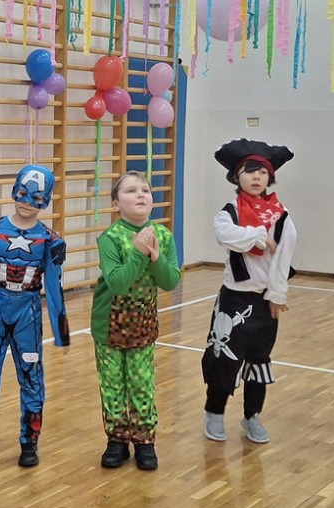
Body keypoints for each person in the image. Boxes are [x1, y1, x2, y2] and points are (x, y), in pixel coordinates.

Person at [0, 164, 69, 468]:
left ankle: (29, 442)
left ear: (46, 201)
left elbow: (54, 287)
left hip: (27, 314)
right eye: (22, 193)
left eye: (36, 198)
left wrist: (62, 333)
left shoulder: (51, 241)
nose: (27, 202)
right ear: (13, 191)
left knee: (32, 377)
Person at [201, 140, 296, 446]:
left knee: (259, 359)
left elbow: (283, 256)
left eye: (263, 172)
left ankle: (252, 415)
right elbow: (225, 235)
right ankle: (214, 411)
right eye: (250, 171)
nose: (257, 177)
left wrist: (277, 294)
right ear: (236, 177)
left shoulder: (281, 215)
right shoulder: (230, 212)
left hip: (265, 301)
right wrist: (257, 234)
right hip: (234, 299)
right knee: (223, 359)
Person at [90, 172, 181, 471]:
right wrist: (139, 254)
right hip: (108, 326)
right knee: (113, 385)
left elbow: (170, 281)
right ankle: (116, 440)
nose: (141, 194)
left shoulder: (164, 236)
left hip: (142, 326)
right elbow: (117, 283)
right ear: (116, 204)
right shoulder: (110, 238)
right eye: (131, 191)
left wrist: (156, 258)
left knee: (142, 384)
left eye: (145, 190)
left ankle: (144, 441)